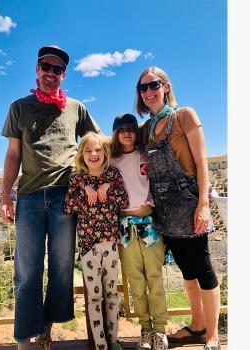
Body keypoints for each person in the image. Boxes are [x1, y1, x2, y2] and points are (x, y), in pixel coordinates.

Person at [0, 45, 101, 350]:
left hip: (66, 198)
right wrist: (5, 195)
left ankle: (45, 330)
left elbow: (96, 142)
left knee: (60, 268)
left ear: (63, 74)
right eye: (46, 66)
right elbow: (13, 154)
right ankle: (24, 338)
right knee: (27, 271)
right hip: (29, 198)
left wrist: (127, 141)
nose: (51, 73)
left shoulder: (76, 108)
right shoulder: (19, 107)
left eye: (57, 69)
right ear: (37, 68)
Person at [135, 66, 221, 350]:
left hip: (190, 204)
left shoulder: (185, 116)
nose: (148, 91)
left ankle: (212, 335)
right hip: (164, 209)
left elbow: (201, 162)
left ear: (166, 86)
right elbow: (120, 145)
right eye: (143, 88)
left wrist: (204, 204)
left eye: (153, 85)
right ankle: (197, 325)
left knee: (204, 268)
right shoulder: (146, 129)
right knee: (186, 270)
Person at [64, 132, 128, 350]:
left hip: (110, 243)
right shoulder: (77, 179)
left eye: (98, 149)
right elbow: (68, 206)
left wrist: (106, 188)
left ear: (105, 152)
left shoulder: (113, 175)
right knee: (94, 297)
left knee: (111, 294)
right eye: (88, 150)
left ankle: (113, 340)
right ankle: (100, 344)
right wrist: (85, 189)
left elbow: (123, 200)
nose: (94, 154)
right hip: (88, 246)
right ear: (82, 154)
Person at [109, 113, 168, 350]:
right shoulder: (110, 161)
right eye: (120, 129)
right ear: (115, 133)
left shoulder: (147, 154)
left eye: (130, 128)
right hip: (125, 228)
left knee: (154, 279)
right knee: (135, 283)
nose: (126, 132)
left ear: (137, 131)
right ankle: (145, 329)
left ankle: (160, 330)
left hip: (149, 226)